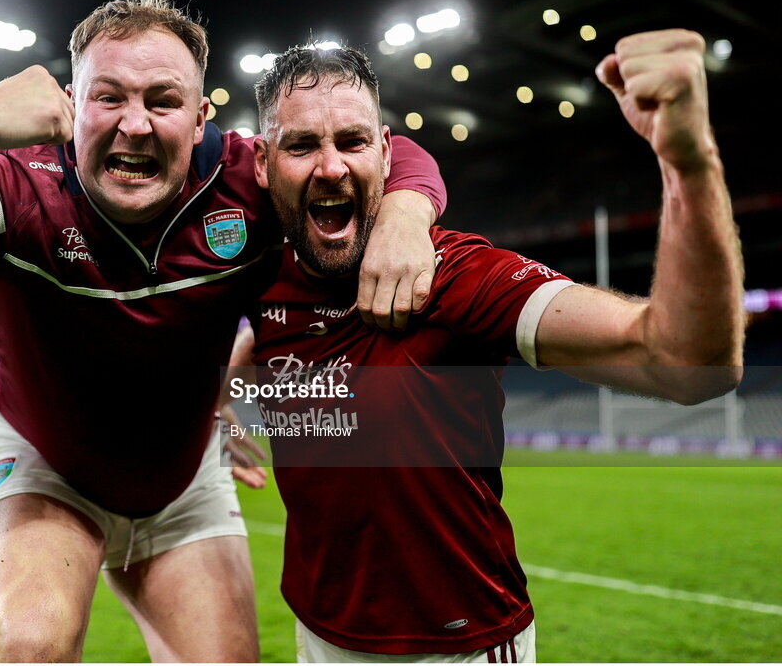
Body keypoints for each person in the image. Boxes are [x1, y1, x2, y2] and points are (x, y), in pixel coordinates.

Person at [0, 0, 447, 662]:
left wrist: (405, 212)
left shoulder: (250, 181)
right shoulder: (14, 186)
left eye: (162, 100)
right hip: (45, 463)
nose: (135, 124)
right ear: (70, 108)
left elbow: (384, 153)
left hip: (183, 481)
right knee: (35, 644)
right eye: (109, 97)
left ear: (200, 119)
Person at [226, 33, 743, 661]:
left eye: (353, 142)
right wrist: (217, 392)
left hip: (464, 643)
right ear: (260, 162)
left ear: (386, 154)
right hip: (319, 633)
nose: (331, 166)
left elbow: (684, 365)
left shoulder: (456, 275)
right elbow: (275, 335)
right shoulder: (259, 270)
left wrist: (690, 165)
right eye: (301, 145)